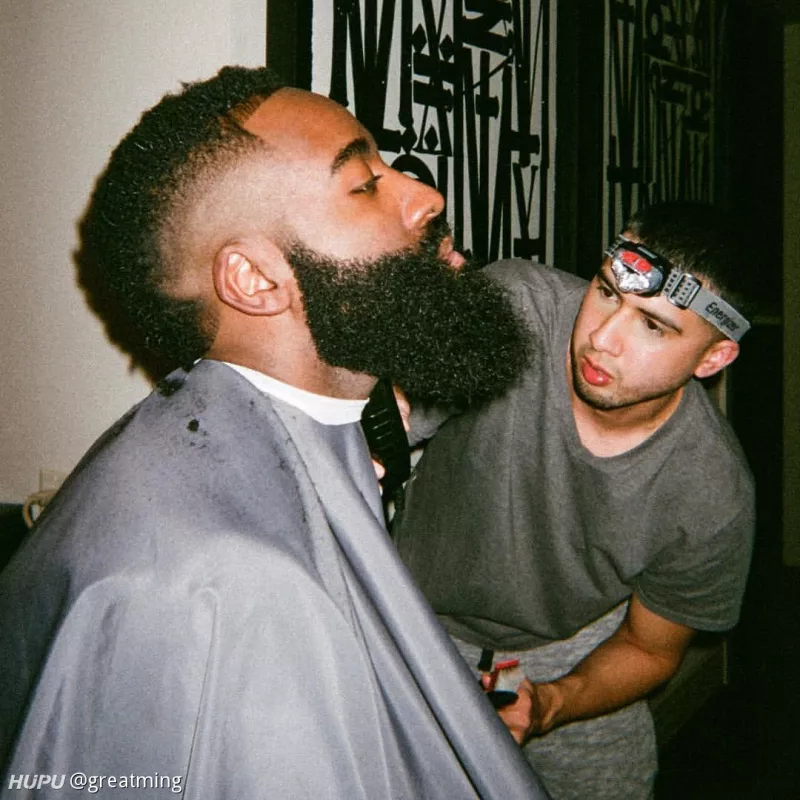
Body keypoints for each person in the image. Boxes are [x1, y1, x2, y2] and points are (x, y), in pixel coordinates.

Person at [0, 66, 550, 798]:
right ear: (256, 281)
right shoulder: (223, 582)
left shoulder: (296, 431)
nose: (427, 197)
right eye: (364, 184)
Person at [392, 201, 756, 799]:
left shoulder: (712, 493)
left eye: (653, 326)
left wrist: (550, 705)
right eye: (607, 292)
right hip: (408, 619)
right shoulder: (515, 310)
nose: (602, 339)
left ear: (713, 357)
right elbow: (380, 426)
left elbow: (647, 648)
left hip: (577, 651)